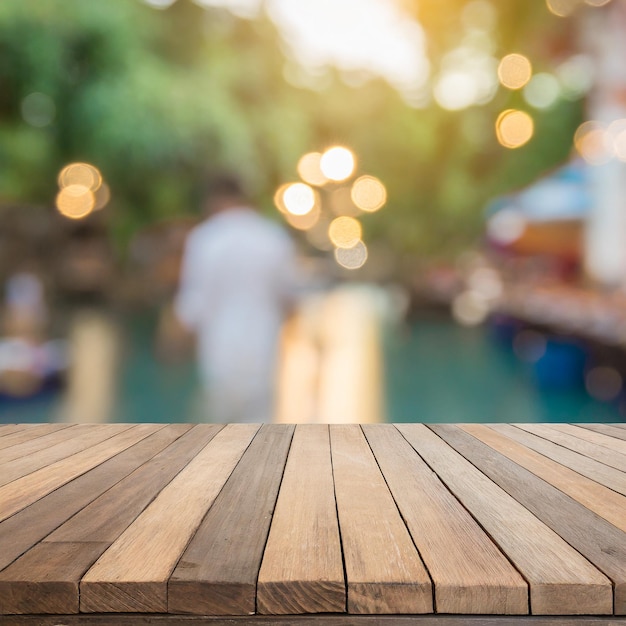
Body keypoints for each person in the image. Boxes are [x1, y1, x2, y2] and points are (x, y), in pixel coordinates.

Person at [174, 175, 299, 423]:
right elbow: (291, 301)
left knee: (218, 444)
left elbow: (191, 309)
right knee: (261, 442)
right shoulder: (273, 238)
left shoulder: (204, 239)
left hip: (218, 357)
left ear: (212, 201)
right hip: (263, 356)